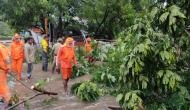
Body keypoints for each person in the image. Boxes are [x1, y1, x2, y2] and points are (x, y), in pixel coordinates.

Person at [0, 40, 11, 108]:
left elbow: (6, 59)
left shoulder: (1, 47)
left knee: (3, 86)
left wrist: (8, 68)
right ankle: (3, 99)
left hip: (1, 70)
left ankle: (8, 100)